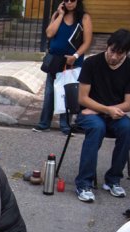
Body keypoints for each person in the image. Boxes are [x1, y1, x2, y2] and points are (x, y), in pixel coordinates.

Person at [74, 28, 130, 203]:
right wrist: (105, 110)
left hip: (110, 113)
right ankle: (84, 183)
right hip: (90, 114)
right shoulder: (91, 63)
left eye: (120, 53)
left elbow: (129, 104)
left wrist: (103, 110)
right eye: (112, 51)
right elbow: (82, 98)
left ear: (127, 52)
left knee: (127, 129)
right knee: (97, 127)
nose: (114, 57)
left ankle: (113, 180)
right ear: (107, 46)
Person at [33, 0, 93, 134]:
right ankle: (44, 123)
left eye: (72, 0)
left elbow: (87, 41)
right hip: (55, 60)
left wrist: (75, 56)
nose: (69, 3)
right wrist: (60, 15)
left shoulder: (84, 17)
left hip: (72, 62)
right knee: (50, 93)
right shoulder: (57, 14)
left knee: (67, 93)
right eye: (66, 0)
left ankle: (65, 126)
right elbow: (49, 33)